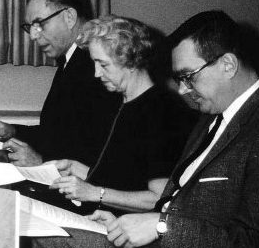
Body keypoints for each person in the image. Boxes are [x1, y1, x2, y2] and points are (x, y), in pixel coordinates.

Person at [30, 11, 259, 248]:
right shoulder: (213, 117)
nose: (182, 90)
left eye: (188, 76)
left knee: (35, 241)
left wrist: (161, 226)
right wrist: (124, 224)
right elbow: (176, 200)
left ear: (228, 65)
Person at [48, 16, 197, 215]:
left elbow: (161, 197)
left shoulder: (162, 112)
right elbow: (120, 179)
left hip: (129, 230)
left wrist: (94, 193)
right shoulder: (120, 103)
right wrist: (73, 167)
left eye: (103, 65)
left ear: (131, 61)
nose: (96, 73)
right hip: (102, 217)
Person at [0, 0, 122, 167]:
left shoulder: (97, 68)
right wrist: (11, 131)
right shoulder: (71, 61)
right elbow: (57, 135)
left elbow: (103, 153)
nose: (33, 36)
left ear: (69, 17)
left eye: (39, 24)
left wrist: (41, 162)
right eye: (30, 27)